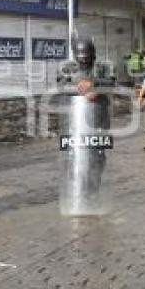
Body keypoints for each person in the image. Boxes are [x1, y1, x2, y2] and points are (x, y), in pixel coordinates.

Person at [56, 39, 114, 209]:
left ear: (93, 55)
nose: (84, 61)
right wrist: (83, 89)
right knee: (73, 158)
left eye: (87, 57)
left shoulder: (103, 68)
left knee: (97, 158)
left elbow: (111, 83)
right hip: (75, 123)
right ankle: (78, 193)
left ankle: (93, 193)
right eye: (81, 58)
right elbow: (61, 86)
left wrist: (95, 85)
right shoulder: (68, 69)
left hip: (99, 121)